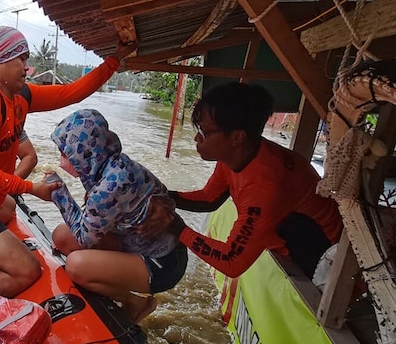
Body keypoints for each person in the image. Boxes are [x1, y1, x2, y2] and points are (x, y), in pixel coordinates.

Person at [0, 25, 137, 297]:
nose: (27, 67)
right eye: (21, 59)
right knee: (28, 270)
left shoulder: (18, 94)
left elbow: (71, 92)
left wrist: (113, 61)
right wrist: (30, 188)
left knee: (8, 208)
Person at [143, 82, 343, 279]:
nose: (196, 138)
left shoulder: (265, 186)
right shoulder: (238, 155)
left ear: (237, 137)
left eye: (204, 131)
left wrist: (175, 227)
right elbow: (209, 199)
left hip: (325, 267)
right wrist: (158, 196)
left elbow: (231, 261)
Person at [47, 109, 188, 323]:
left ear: (85, 153)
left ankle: (135, 302)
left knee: (76, 265)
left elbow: (85, 238)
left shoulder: (108, 188)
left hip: (162, 263)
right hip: (140, 244)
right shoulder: (113, 164)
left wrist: (58, 192)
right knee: (61, 235)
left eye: (66, 154)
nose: (61, 162)